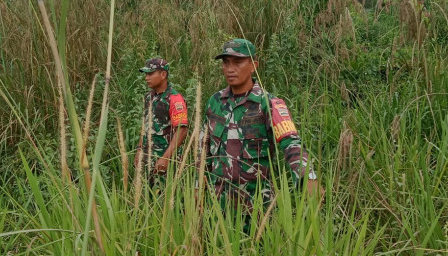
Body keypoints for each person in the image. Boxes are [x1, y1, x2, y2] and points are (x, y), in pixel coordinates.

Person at [197, 38, 318, 214]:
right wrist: (197, 186)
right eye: (226, 62)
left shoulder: (269, 103)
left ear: (254, 65)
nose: (230, 69)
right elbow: (203, 148)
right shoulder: (214, 102)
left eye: (238, 62)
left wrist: (307, 176)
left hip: (257, 205)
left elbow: (291, 143)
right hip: (218, 203)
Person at [135, 57, 188, 185]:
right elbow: (146, 125)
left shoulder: (174, 99)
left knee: (166, 199)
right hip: (147, 159)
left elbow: (182, 130)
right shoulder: (149, 97)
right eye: (146, 74)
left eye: (150, 74)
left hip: (165, 161)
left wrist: (165, 158)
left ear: (163, 74)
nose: (147, 78)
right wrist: (139, 150)